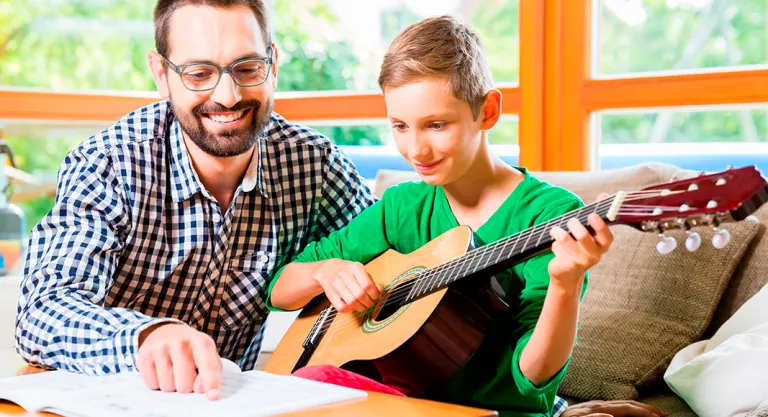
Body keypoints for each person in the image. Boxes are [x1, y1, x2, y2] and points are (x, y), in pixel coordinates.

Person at [15, 0, 375, 401]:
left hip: (228, 402)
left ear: (272, 65)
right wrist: (146, 336)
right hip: (103, 402)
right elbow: (41, 313)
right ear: (161, 75)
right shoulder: (109, 164)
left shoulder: (313, 165)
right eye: (199, 73)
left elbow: (397, 254)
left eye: (247, 68)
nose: (227, 95)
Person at [267, 15, 620, 417]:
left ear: (487, 111)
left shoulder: (550, 215)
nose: (416, 149)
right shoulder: (403, 207)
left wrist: (565, 283)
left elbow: (532, 381)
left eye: (436, 125)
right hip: (403, 403)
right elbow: (278, 290)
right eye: (400, 126)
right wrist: (324, 273)